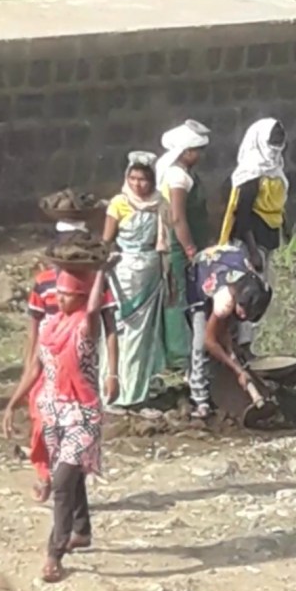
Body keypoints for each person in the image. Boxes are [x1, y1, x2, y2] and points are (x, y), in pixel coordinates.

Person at [3, 266, 109, 584]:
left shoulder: (85, 327)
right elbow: (35, 368)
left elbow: (95, 308)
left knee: (61, 481)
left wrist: (101, 274)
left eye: (66, 295)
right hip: (54, 412)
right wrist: (12, 403)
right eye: (58, 294)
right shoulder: (50, 328)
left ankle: (55, 553)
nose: (59, 300)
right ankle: (82, 530)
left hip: (82, 414)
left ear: (80, 297)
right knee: (70, 473)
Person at [7, 227, 118, 503]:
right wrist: (24, 379)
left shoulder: (95, 289)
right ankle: (46, 476)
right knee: (41, 425)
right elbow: (33, 328)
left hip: (78, 370)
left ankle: (66, 493)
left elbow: (106, 324)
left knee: (74, 440)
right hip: (48, 360)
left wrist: (113, 373)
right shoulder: (43, 283)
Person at [102, 153, 169, 408]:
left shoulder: (160, 204)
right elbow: (107, 241)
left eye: (143, 179)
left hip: (149, 276)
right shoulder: (118, 204)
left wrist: (168, 276)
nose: (137, 184)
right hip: (122, 275)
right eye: (133, 178)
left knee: (142, 337)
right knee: (120, 330)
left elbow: (163, 244)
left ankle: (136, 392)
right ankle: (114, 390)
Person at [218, 118, 288, 355]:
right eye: (272, 140)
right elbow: (243, 216)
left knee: (259, 293)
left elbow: (278, 206)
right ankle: (240, 345)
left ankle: (246, 343)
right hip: (251, 243)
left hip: (267, 238)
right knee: (248, 294)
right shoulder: (250, 175)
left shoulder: (275, 169)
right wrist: (253, 250)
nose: (276, 145)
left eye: (279, 140)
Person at [186, 243, 272, 419]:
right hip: (200, 273)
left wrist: (231, 353)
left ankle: (215, 374)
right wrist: (237, 370)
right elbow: (210, 341)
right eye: (244, 312)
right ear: (239, 301)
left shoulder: (253, 284)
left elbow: (224, 330)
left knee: (227, 335)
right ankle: (199, 398)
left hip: (222, 266)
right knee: (200, 343)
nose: (244, 317)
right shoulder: (225, 300)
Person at [155, 120, 211, 369]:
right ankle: (178, 354)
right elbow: (178, 218)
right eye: (197, 151)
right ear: (186, 152)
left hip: (188, 245)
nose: (200, 156)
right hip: (179, 248)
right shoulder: (177, 176)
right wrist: (190, 249)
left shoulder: (185, 174)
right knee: (177, 296)